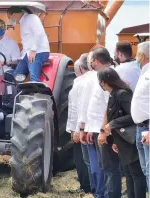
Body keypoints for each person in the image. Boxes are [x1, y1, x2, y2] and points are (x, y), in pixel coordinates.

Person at [98, 67, 147, 198]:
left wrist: (112, 124)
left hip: (129, 139)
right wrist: (115, 140)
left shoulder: (121, 94)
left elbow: (133, 116)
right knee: (130, 174)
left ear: (104, 81)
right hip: (122, 140)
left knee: (136, 174)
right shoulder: (113, 94)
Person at [86, 47, 121, 198]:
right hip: (97, 128)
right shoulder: (100, 76)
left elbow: (109, 106)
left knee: (110, 168)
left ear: (96, 61)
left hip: (104, 130)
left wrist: (103, 131)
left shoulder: (108, 76)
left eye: (92, 61)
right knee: (104, 166)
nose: (92, 64)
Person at [79, 51, 105, 198]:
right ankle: (100, 193)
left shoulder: (88, 79)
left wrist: (82, 128)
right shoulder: (108, 74)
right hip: (99, 127)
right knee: (100, 166)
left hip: (98, 127)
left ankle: (100, 193)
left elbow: (85, 105)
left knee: (98, 165)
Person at [66, 54, 92, 194]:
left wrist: (75, 129)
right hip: (92, 126)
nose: (75, 74)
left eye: (75, 71)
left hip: (81, 127)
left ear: (81, 68)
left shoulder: (80, 82)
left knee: (81, 158)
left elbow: (76, 107)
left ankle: (86, 186)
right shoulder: (96, 78)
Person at [7, 6, 50, 82]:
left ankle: (37, 93)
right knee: (17, 75)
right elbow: (27, 41)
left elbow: (38, 33)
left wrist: (33, 50)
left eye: (10, 18)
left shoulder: (32, 18)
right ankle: (18, 93)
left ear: (14, 15)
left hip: (38, 52)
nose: (11, 21)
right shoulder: (22, 22)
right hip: (27, 54)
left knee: (33, 76)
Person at [131, 41, 150, 189]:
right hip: (141, 128)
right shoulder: (144, 73)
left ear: (142, 55)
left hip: (147, 128)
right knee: (146, 170)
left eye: (137, 53)